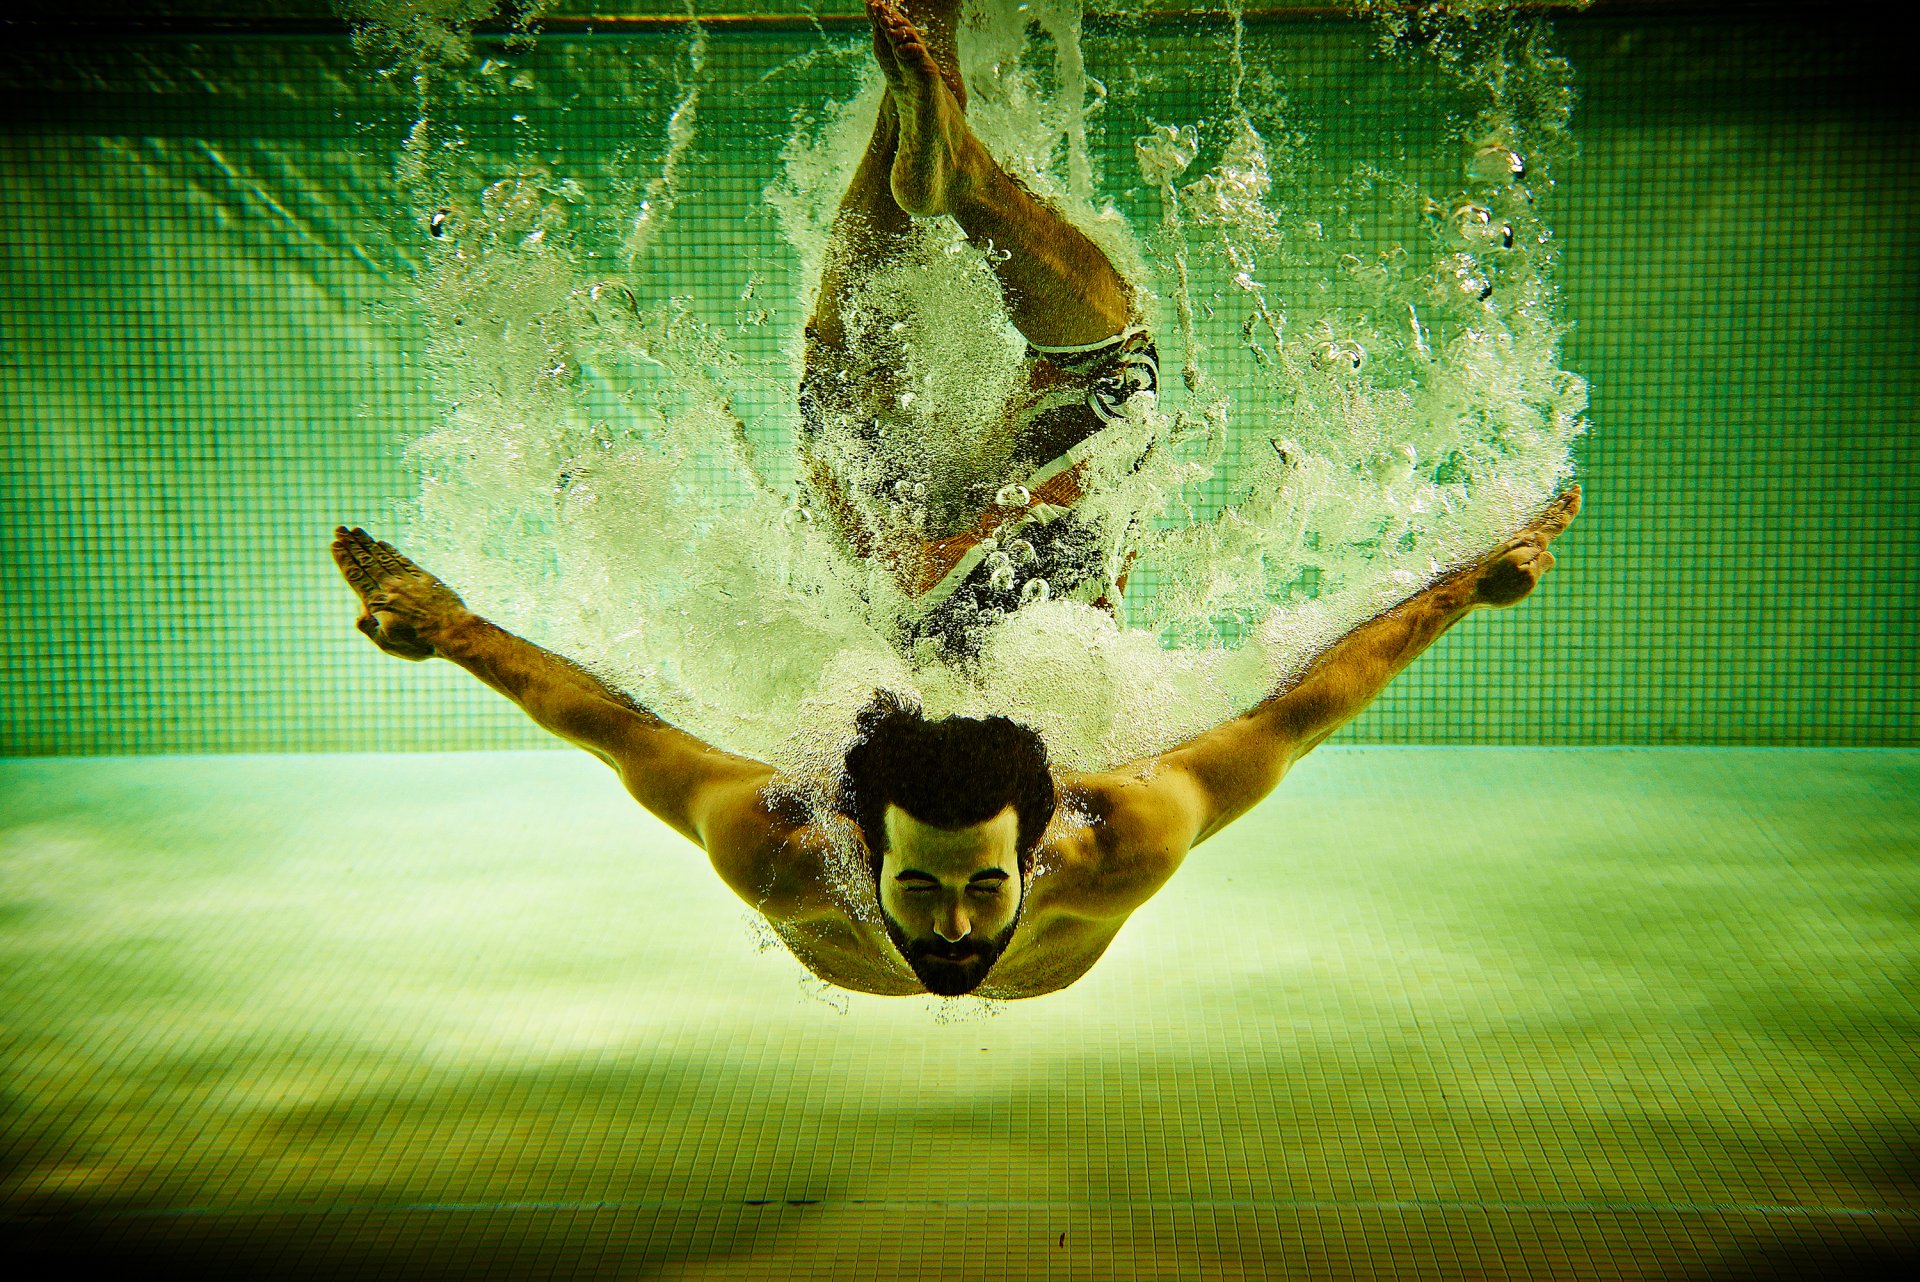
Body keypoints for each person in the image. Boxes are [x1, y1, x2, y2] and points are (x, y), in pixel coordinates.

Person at [331, 0, 1581, 999]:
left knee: (866, 378)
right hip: (1032, 581)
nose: (954, 923)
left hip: (897, 568)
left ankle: (928, 115)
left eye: (962, 890)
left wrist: (451, 631)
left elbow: (611, 726)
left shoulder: (783, 855)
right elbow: (1304, 707)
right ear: (870, 843)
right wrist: (1470, 583)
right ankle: (958, 166)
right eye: (943, 894)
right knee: (1098, 370)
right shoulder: (1119, 842)